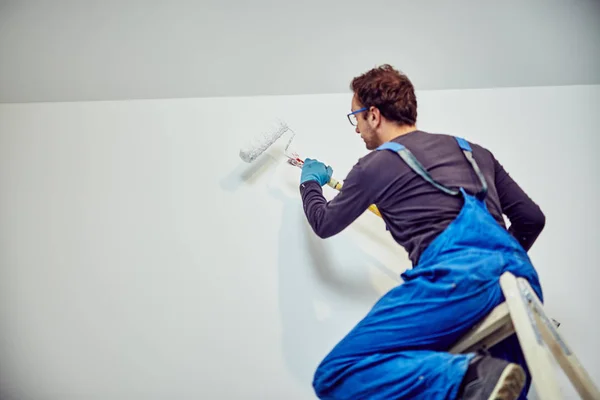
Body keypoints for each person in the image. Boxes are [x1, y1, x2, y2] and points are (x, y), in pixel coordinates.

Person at [298, 64, 546, 399]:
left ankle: (469, 375)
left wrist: (310, 183)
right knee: (498, 392)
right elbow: (531, 218)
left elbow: (324, 222)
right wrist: (493, 265)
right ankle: (474, 377)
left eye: (355, 116)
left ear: (373, 115)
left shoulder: (375, 165)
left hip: (457, 279)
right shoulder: (474, 151)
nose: (356, 129)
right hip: (519, 281)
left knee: (336, 372)